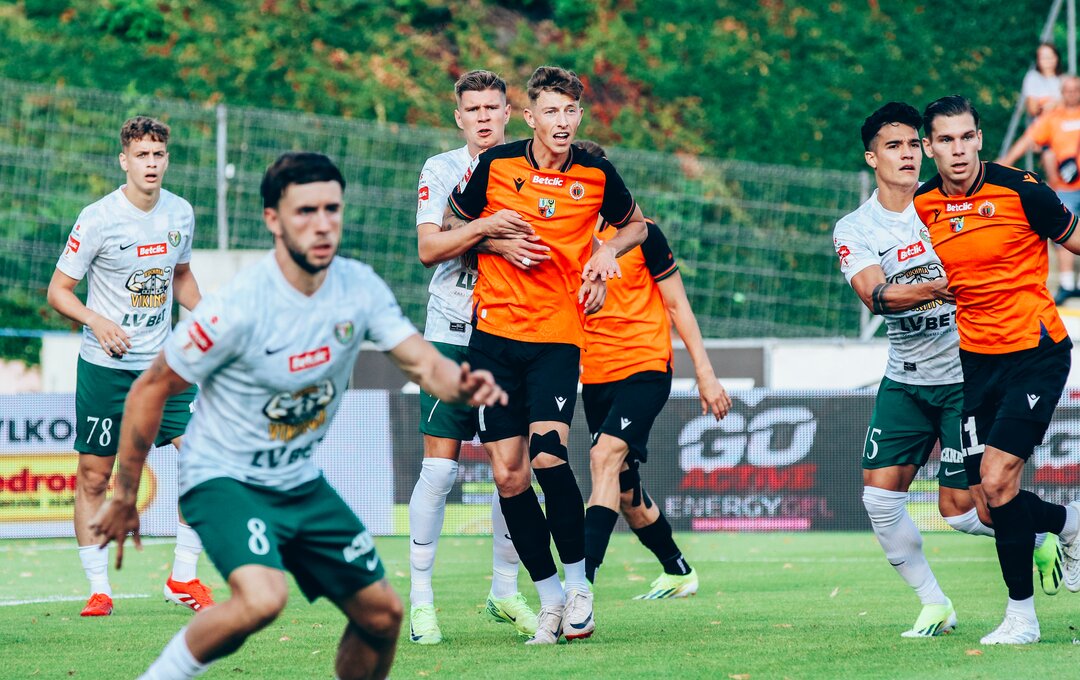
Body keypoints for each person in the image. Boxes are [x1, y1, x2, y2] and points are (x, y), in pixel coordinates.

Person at [89, 152, 508, 679]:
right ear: (274, 219)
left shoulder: (359, 288)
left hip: (297, 481)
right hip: (223, 476)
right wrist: (125, 495)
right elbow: (149, 389)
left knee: (382, 615)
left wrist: (461, 384)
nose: (322, 223)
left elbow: (425, 364)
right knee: (263, 598)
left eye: (332, 209)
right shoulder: (239, 305)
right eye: (306, 211)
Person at [834, 102, 1066, 638]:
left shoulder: (945, 204)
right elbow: (875, 295)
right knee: (879, 500)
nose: (907, 155)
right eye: (893, 146)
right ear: (871, 158)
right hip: (907, 377)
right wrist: (942, 287)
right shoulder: (857, 226)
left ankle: (1054, 528)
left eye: (911, 145)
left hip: (967, 373)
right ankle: (935, 604)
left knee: (971, 510)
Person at [446, 65, 647, 644]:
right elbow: (450, 226)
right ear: (530, 117)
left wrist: (606, 251)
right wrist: (492, 235)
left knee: (548, 457)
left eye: (570, 111)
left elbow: (636, 227)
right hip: (492, 338)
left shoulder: (596, 172)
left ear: (578, 117)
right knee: (507, 475)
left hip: (557, 335)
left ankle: (580, 587)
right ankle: (550, 599)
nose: (562, 122)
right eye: (551, 111)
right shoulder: (496, 163)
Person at [914, 95, 1080, 645]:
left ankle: (1021, 619)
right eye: (946, 140)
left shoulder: (1022, 190)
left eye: (967, 137)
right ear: (929, 147)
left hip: (1036, 352)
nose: (958, 149)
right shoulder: (921, 204)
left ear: (980, 139)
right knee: (983, 506)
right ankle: (1069, 522)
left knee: (997, 479)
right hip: (976, 362)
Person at [46, 116, 213, 617]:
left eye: (158, 155)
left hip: (163, 367)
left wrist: (209, 315)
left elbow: (181, 276)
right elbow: (59, 291)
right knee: (94, 477)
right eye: (142, 155)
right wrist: (97, 322)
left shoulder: (180, 212)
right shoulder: (98, 217)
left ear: (167, 159)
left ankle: (183, 576)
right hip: (105, 369)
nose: (151, 164)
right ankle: (100, 589)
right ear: (125, 160)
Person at [409, 69, 537, 644]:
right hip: (450, 332)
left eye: (492, 107)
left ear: (508, 113)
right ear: (458, 117)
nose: (484, 117)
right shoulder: (441, 169)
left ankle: (504, 592)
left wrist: (479, 235)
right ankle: (421, 601)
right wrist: (491, 232)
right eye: (474, 109)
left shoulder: (530, 169)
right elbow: (429, 246)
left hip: (510, 333)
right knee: (440, 469)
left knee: (513, 471)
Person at [573, 140, 730, 599]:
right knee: (624, 492)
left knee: (603, 458)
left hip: (644, 366)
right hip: (594, 376)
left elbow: (678, 305)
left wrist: (705, 373)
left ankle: (579, 588)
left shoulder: (642, 233)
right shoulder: (563, 238)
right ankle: (678, 570)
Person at [999, 76, 1080, 304]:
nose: (1072, 93)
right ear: (1062, 92)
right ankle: (1067, 283)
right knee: (1065, 229)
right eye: (1067, 90)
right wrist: (1003, 164)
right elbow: (1028, 140)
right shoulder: (1053, 118)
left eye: (1076, 89)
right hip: (1064, 186)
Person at [1021, 43, 1064, 120]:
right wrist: (1058, 103)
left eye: (1050, 56)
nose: (1047, 60)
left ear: (1057, 58)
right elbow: (1033, 109)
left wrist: (1053, 104)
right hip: (1041, 123)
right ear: (1038, 60)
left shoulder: (1064, 79)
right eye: (1043, 57)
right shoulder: (1033, 77)